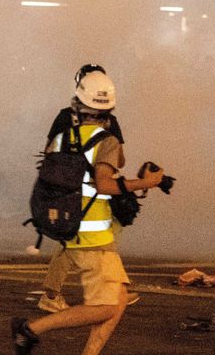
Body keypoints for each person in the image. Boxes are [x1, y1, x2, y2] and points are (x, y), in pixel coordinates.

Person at [12, 66, 166, 355]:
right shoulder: (106, 141)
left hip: (69, 224)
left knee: (119, 298)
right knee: (105, 307)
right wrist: (147, 183)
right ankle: (30, 329)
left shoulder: (61, 138)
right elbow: (105, 185)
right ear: (109, 109)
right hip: (93, 236)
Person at [36, 64, 137, 314]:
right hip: (93, 193)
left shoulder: (64, 117)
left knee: (83, 239)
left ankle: (114, 290)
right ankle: (55, 295)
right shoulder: (110, 122)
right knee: (83, 240)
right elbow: (120, 160)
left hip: (67, 192)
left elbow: (49, 151)